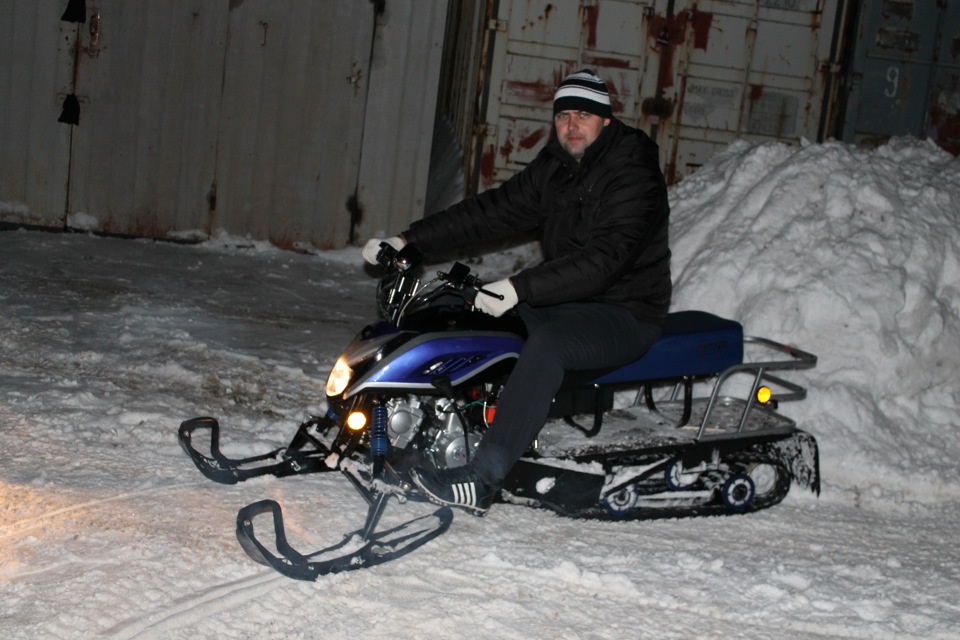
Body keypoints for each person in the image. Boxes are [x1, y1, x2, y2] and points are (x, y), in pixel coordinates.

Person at [362, 69, 671, 515]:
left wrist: (519, 287)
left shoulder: (633, 174)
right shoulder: (558, 167)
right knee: (460, 311)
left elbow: (606, 260)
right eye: (563, 115)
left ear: (605, 120)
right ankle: (417, 429)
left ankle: (483, 477)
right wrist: (410, 241)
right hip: (570, 299)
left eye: (583, 115)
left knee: (547, 347)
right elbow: (493, 212)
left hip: (626, 312)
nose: (570, 126)